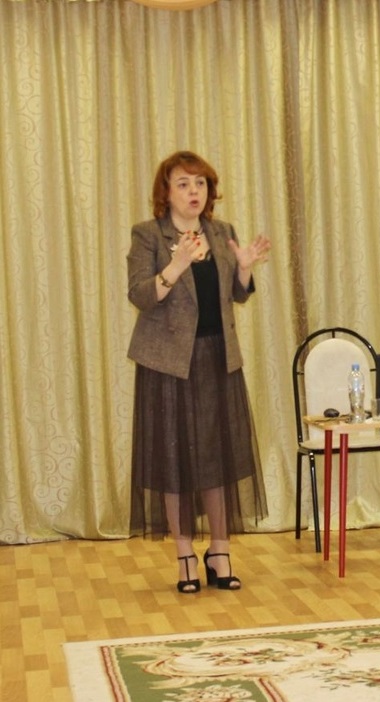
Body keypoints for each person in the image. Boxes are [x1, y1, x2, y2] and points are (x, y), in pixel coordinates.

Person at [127, 150, 270, 594]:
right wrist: (176, 265)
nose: (194, 192)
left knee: (217, 457)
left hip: (217, 359)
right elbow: (140, 295)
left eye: (201, 183)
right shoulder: (149, 234)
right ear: (166, 192)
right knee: (173, 460)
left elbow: (235, 296)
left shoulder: (222, 232)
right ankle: (185, 553)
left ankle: (220, 551)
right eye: (184, 184)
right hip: (169, 364)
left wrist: (243, 270)